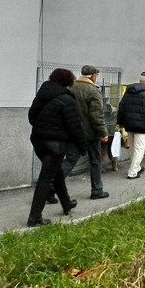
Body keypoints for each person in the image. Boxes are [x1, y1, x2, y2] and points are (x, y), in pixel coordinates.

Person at [27, 68, 88, 227]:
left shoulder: (42, 94)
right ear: (68, 81)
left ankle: (66, 203)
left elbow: (32, 116)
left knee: (57, 172)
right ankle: (34, 217)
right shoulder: (67, 99)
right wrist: (82, 147)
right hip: (56, 144)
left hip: (38, 140)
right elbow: (75, 127)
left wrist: (44, 128)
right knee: (45, 178)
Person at [65, 65, 109, 200]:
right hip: (90, 133)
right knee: (95, 161)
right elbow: (97, 115)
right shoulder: (93, 91)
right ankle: (97, 190)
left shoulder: (70, 87)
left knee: (70, 160)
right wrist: (103, 133)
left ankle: (51, 187)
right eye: (96, 75)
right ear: (93, 76)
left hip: (73, 131)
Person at [117, 71, 145, 179]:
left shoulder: (128, 91)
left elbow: (121, 107)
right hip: (141, 125)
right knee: (139, 149)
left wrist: (120, 122)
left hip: (128, 124)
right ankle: (132, 172)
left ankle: (136, 168)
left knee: (132, 148)